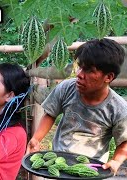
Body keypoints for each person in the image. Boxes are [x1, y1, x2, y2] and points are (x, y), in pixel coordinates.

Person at [27, 38, 127, 175]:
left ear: (108, 77)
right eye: (79, 67)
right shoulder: (66, 88)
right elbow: (50, 114)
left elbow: (124, 142)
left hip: (90, 168)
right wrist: (36, 139)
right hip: (59, 162)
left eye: (89, 70)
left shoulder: (119, 109)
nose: (79, 74)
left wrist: (116, 161)